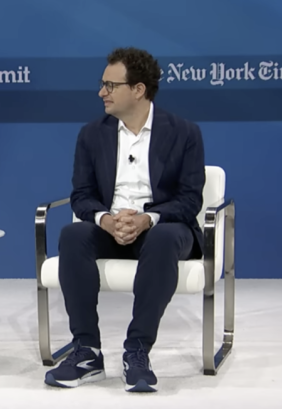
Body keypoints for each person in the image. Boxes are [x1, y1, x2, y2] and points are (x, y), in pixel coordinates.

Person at [44, 47, 206, 392]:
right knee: (73, 235)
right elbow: (82, 195)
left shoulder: (184, 133)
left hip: (162, 228)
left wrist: (148, 219)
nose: (101, 92)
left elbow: (190, 199)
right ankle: (87, 352)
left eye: (110, 85)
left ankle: (137, 351)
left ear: (138, 89)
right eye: (102, 84)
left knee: (163, 238)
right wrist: (105, 220)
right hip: (110, 228)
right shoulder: (92, 134)